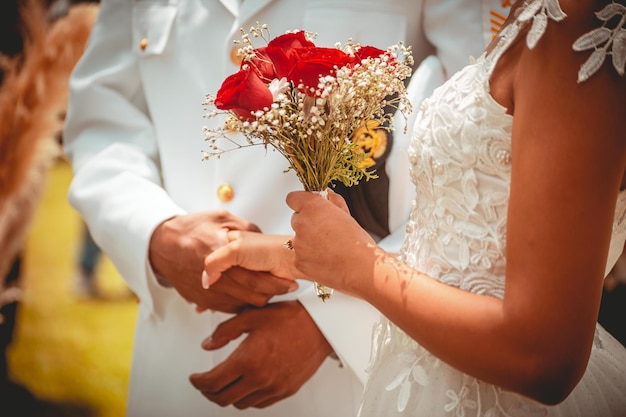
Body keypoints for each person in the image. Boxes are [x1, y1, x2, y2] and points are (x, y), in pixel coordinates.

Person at [63, 0, 514, 415]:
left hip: (351, 374)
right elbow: (104, 117)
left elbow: (482, 150)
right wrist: (155, 233)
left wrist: (331, 324)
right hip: (178, 355)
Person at [203, 0, 626, 415]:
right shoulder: (534, 12)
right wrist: (298, 256)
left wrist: (358, 265)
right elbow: (469, 256)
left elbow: (542, 356)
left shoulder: (578, 28)